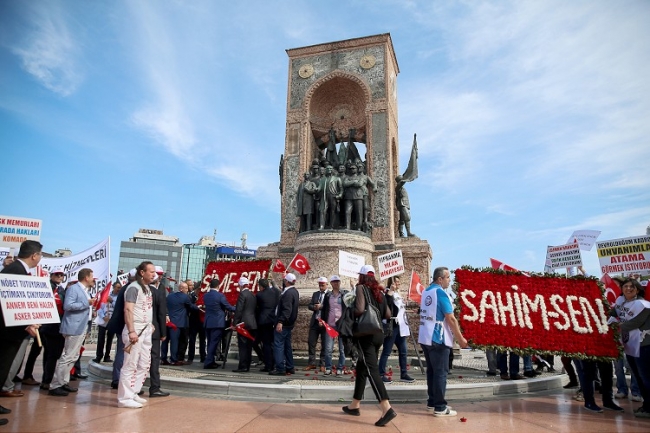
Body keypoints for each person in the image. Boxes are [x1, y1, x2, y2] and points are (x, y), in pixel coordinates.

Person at [341, 265, 396, 427]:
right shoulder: (379, 291)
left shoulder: (360, 288)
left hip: (366, 335)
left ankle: (386, 408)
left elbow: (359, 309)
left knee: (371, 370)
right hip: (378, 333)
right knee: (362, 368)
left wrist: (349, 309)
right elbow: (387, 314)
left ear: (362, 277)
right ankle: (354, 405)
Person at [419, 266, 468, 417]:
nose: (449, 280)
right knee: (440, 372)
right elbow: (451, 318)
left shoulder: (426, 291)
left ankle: (432, 401)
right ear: (440, 279)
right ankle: (440, 407)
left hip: (426, 336)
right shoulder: (441, 293)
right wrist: (460, 338)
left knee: (432, 371)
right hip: (438, 338)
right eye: (447, 277)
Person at [49, 268, 97, 396]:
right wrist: (86, 303)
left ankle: (63, 382)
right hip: (73, 327)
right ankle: (55, 385)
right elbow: (68, 306)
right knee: (68, 356)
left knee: (73, 356)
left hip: (80, 327)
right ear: (86, 277)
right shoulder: (74, 289)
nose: (93, 279)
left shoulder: (84, 291)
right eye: (92, 276)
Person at [117, 261, 155, 409]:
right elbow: (128, 310)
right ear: (142, 272)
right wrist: (131, 330)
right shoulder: (133, 288)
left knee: (145, 363)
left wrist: (150, 324)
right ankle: (124, 398)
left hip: (145, 329)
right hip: (135, 329)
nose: (154, 274)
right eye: (151, 271)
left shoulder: (147, 288)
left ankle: (133, 391)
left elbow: (146, 308)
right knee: (130, 364)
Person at [612, 278, 650, 418]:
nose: (628, 288)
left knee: (646, 377)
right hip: (630, 346)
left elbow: (635, 322)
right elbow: (613, 314)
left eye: (632, 286)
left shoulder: (644, 305)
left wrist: (614, 327)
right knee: (639, 377)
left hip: (643, 346)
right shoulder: (621, 304)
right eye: (625, 286)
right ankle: (646, 405)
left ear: (638, 289)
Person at [379, 276, 414, 383]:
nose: (399, 283)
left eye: (399, 281)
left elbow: (400, 309)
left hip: (401, 326)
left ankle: (404, 374)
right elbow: (387, 305)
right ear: (392, 282)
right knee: (387, 351)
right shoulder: (388, 293)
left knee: (403, 351)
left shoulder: (398, 294)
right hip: (392, 326)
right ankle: (380, 374)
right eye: (397, 281)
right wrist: (391, 291)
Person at [269, 273, 299, 376]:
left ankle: (280, 368)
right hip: (289, 324)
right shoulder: (293, 291)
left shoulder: (288, 293)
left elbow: (287, 310)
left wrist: (280, 321)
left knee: (279, 345)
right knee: (287, 346)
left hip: (284, 324)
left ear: (286, 281)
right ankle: (290, 367)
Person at [202, 278, 235, 369]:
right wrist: (237, 309)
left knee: (210, 342)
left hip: (208, 322)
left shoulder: (206, 295)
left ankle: (211, 360)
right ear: (218, 286)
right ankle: (208, 362)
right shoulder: (220, 296)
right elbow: (227, 306)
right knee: (214, 342)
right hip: (217, 322)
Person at [148, 270, 170, 398]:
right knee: (154, 359)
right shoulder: (158, 293)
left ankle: (134, 387)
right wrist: (163, 333)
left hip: (139, 330)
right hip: (154, 331)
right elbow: (161, 315)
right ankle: (155, 387)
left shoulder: (139, 291)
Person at [165, 282, 197, 365]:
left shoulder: (170, 296)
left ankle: (163, 358)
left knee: (166, 341)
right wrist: (199, 307)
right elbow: (192, 307)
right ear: (181, 288)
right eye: (186, 288)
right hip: (178, 323)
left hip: (169, 321)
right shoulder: (185, 297)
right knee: (175, 342)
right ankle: (174, 359)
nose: (187, 290)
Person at [321, 275, 348, 375]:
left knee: (342, 349)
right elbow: (324, 309)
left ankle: (340, 367)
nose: (336, 283)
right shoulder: (328, 295)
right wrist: (322, 320)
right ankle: (328, 367)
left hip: (341, 325)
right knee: (328, 348)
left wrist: (353, 287)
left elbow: (351, 303)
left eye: (338, 281)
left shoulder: (345, 294)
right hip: (330, 325)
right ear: (331, 283)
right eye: (334, 282)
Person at [255, 278, 280, 372]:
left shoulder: (259, 295)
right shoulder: (276, 292)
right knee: (274, 343)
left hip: (264, 321)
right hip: (274, 320)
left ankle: (268, 365)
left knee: (266, 344)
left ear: (261, 286)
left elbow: (257, 308)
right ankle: (275, 363)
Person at [233, 277, 257, 373]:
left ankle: (242, 366)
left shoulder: (242, 294)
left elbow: (239, 310)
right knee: (249, 346)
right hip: (252, 322)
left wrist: (235, 323)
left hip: (243, 323)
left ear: (241, 285)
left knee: (242, 346)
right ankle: (247, 365)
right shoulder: (252, 294)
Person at [93, 281, 121, 363]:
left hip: (112, 321)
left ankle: (107, 356)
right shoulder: (106, 295)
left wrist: (112, 301)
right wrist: (103, 316)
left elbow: (118, 307)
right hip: (103, 320)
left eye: (120, 288)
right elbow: (100, 307)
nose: (119, 289)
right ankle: (98, 356)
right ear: (113, 287)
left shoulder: (119, 297)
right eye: (117, 287)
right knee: (101, 339)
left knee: (110, 339)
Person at [305, 277, 328, 371]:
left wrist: (321, 307)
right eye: (319, 285)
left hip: (325, 322)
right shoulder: (316, 294)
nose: (321, 287)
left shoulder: (329, 295)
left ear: (327, 285)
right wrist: (314, 307)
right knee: (311, 342)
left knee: (324, 343)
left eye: (322, 285)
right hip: (315, 322)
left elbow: (330, 307)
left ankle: (322, 363)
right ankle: (312, 362)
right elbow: (309, 305)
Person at [188, 282, 206, 364]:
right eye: (199, 288)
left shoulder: (205, 296)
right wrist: (197, 306)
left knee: (203, 340)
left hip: (202, 320)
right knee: (192, 339)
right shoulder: (191, 296)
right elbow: (189, 306)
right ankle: (190, 357)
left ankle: (203, 357)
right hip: (194, 320)